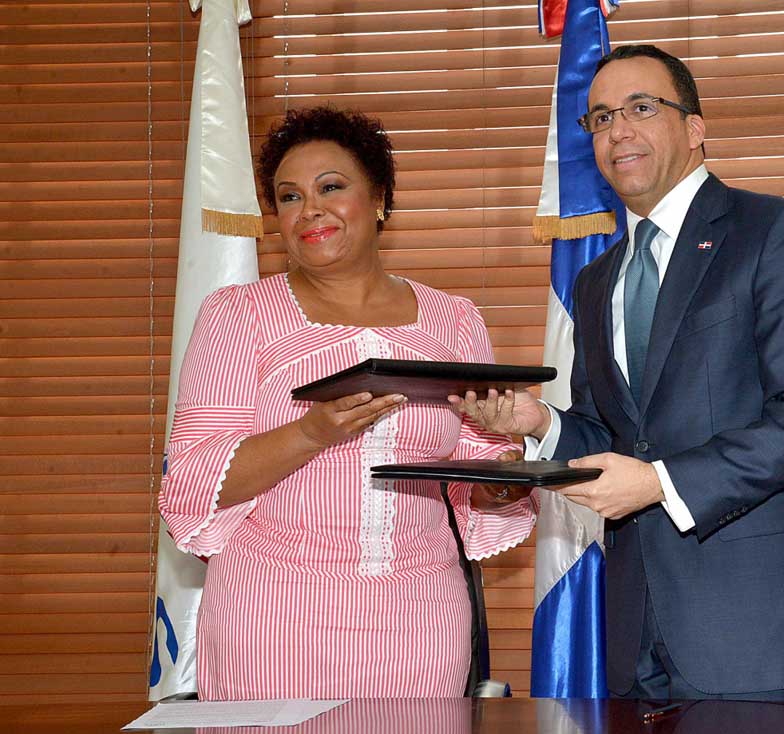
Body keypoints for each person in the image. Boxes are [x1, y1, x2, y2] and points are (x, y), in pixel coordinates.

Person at [452, 45, 784, 702]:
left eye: (641, 107)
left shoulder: (776, 232)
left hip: (756, 635)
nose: (619, 131)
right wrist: (543, 425)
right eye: (602, 117)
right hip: (635, 635)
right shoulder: (595, 282)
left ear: (695, 127)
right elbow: (615, 438)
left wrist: (661, 483)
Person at [159, 106, 536, 700]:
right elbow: (195, 479)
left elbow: (479, 480)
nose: (310, 209)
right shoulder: (237, 315)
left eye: (331, 187)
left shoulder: (453, 318)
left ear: (380, 198)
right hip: (272, 618)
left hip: (422, 619)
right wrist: (310, 433)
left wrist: (512, 474)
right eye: (289, 197)